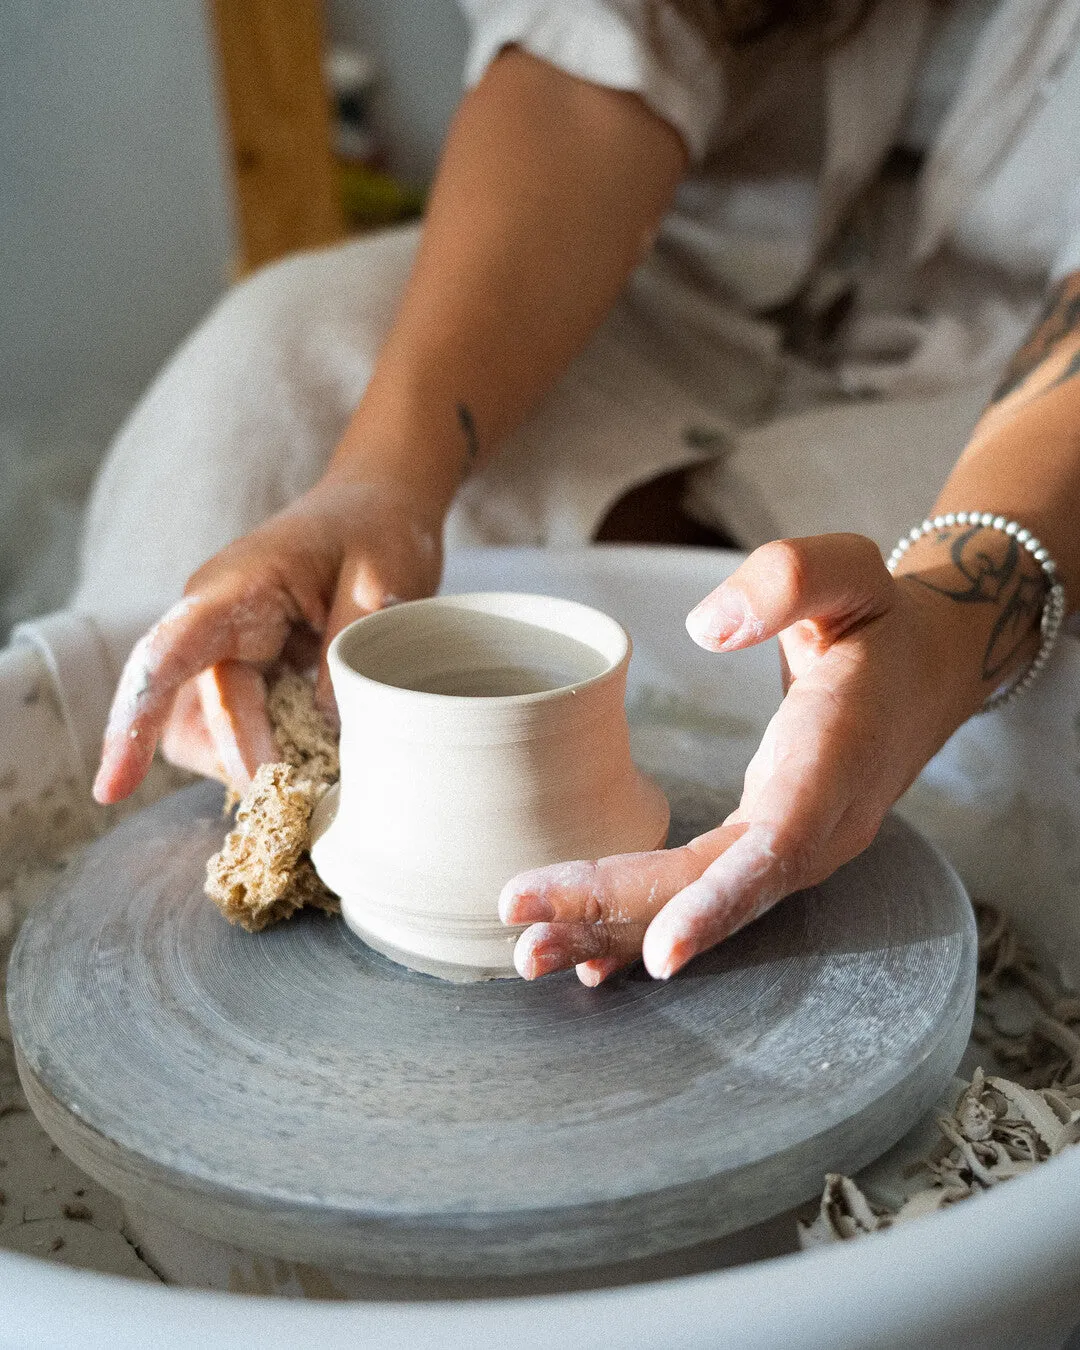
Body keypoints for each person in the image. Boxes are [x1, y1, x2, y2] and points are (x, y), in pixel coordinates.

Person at [77, 0, 1080, 983]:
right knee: (273, 376)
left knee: (1025, 695)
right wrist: (381, 485)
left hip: (1002, 375)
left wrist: (951, 626)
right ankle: (171, 857)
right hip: (676, 278)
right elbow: (590, 61)